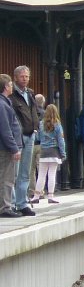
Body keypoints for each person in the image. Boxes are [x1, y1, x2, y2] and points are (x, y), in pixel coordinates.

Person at [9, 65, 39, 213]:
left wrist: (35, 127)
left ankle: (22, 203)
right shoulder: (11, 95)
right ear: (15, 77)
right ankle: (12, 203)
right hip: (18, 137)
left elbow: (34, 111)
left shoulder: (30, 93)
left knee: (25, 171)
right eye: (22, 76)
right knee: (14, 172)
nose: (25, 79)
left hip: (30, 135)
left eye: (27, 76)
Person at [31, 104, 66, 205]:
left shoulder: (41, 124)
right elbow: (61, 141)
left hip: (44, 151)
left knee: (41, 175)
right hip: (54, 151)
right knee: (52, 174)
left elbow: (38, 138)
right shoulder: (57, 125)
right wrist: (63, 153)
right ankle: (50, 196)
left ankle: (36, 196)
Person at [0, 74, 24, 217]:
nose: (12, 87)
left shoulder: (5, 103)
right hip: (5, 149)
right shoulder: (2, 105)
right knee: (6, 178)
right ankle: (5, 207)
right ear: (5, 87)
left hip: (5, 147)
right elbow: (5, 129)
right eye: (10, 85)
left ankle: (6, 205)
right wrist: (14, 148)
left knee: (6, 177)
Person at [29, 93, 46, 199]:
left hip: (31, 143)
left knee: (31, 170)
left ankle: (32, 191)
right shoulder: (45, 114)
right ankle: (40, 192)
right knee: (41, 170)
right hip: (42, 144)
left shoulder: (31, 113)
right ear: (43, 102)